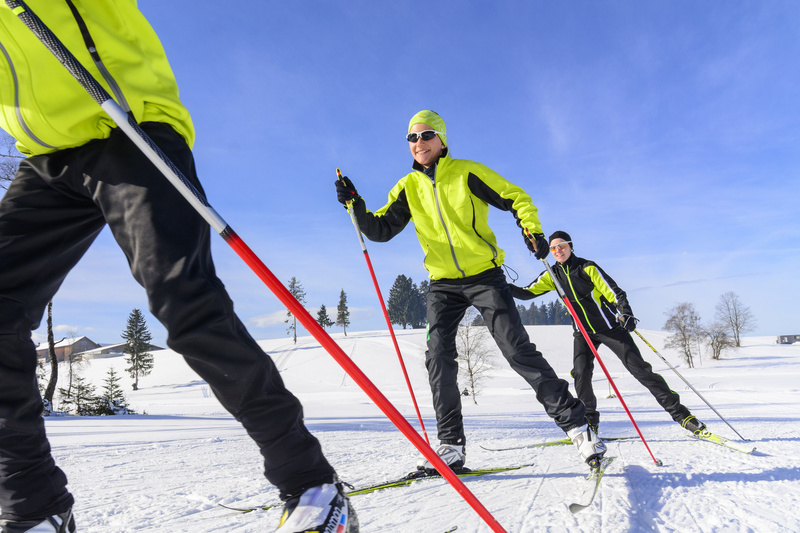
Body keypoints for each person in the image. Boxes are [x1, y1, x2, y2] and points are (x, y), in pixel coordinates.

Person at [0, 2, 356, 532]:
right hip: (45, 156)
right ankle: (34, 507)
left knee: (184, 302)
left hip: (125, 121)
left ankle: (312, 484)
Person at [334, 110, 606, 472]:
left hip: (484, 276)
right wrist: (356, 204)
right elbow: (381, 230)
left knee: (517, 350)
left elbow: (516, 197)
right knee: (438, 358)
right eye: (411, 138)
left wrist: (533, 230)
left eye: (426, 135)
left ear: (441, 139)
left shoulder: (467, 172)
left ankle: (578, 428)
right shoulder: (407, 188)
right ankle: (451, 446)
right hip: (442, 284)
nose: (418, 142)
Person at [510, 230, 707, 437]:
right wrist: (500, 286)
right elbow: (526, 292)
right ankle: (590, 423)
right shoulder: (552, 275)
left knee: (641, 371)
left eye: (562, 246)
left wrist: (626, 313)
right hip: (583, 333)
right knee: (581, 373)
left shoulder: (587, 267)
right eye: (553, 248)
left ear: (570, 246)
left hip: (610, 329)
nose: (558, 251)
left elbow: (615, 293)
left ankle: (683, 417)